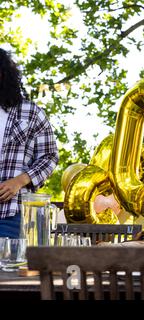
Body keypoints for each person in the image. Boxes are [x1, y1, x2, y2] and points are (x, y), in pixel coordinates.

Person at [0, 48, 59, 238]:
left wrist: (20, 181)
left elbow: (49, 157)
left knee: (9, 267)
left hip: (10, 213)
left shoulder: (30, 112)